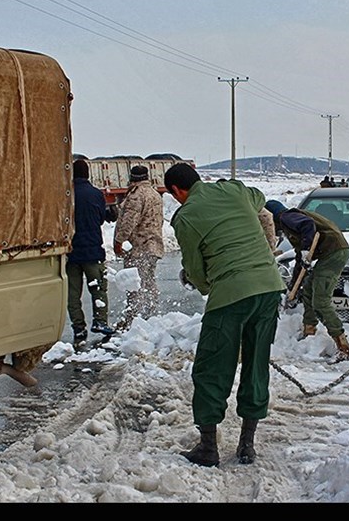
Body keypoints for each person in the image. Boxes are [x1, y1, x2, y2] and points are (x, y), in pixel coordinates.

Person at [164, 163, 285, 467]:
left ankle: (208, 447)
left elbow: (195, 269)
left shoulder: (186, 217)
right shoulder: (233, 190)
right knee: (257, 363)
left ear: (177, 191)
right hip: (270, 287)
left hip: (231, 293)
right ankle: (246, 445)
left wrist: (206, 286)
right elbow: (258, 198)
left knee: (212, 367)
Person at [264, 199, 349, 362]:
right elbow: (301, 260)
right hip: (329, 252)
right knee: (307, 289)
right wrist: (292, 288)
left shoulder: (287, 216)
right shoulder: (289, 225)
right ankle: (309, 329)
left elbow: (307, 225)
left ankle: (343, 346)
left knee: (321, 300)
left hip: (334, 252)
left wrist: (306, 249)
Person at [67, 159, 115, 347]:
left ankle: (78, 327)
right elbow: (102, 218)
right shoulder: (96, 194)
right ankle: (100, 321)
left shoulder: (67, 196)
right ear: (87, 174)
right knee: (98, 289)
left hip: (71, 253)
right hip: (93, 251)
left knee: (73, 294)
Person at [113, 165, 165, 331]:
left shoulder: (137, 195)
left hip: (140, 247)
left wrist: (118, 241)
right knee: (149, 283)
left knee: (134, 286)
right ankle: (152, 317)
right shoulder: (155, 194)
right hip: (153, 246)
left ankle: (132, 322)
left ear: (133, 178)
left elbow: (129, 221)